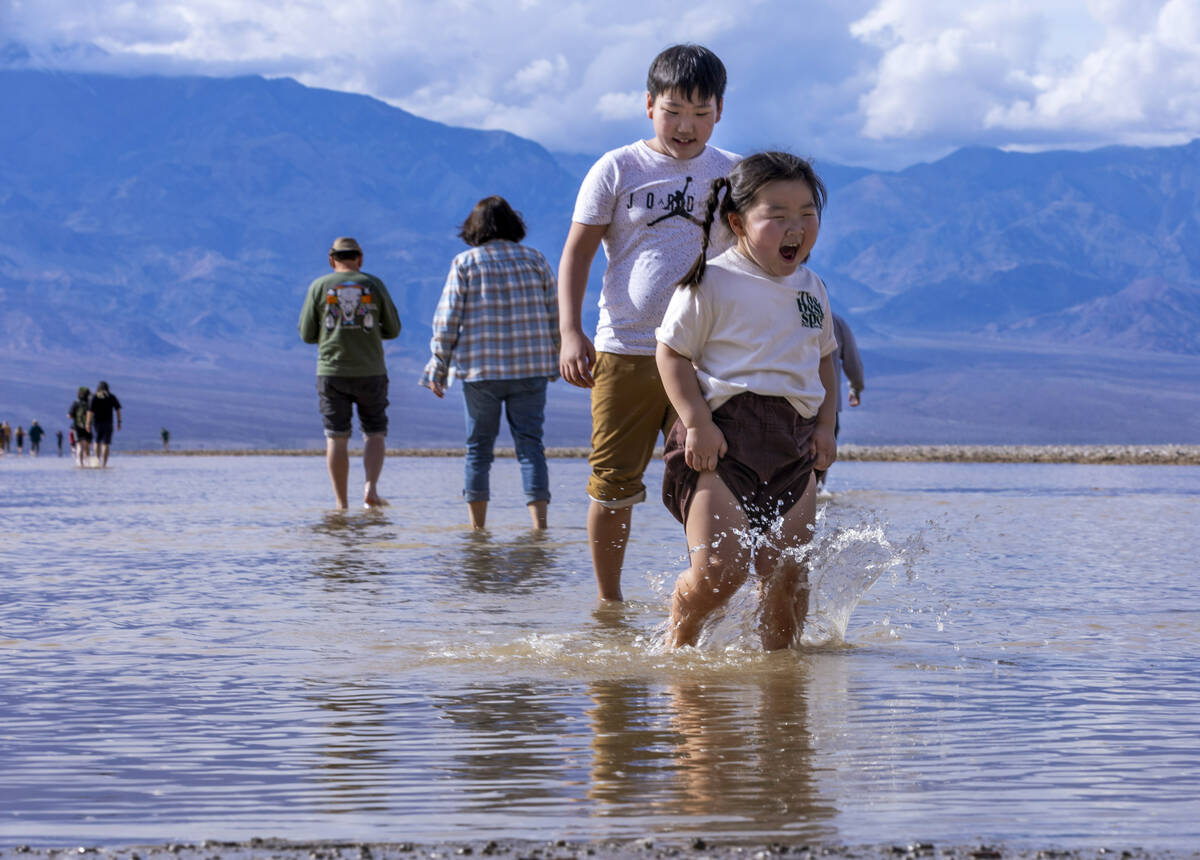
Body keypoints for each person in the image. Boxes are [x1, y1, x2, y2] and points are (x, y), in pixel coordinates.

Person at [557, 43, 740, 601]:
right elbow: (577, 254)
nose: (686, 126)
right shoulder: (618, 167)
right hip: (627, 350)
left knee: (710, 474)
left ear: (719, 111)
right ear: (648, 105)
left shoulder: (733, 172)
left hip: (705, 354)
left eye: (700, 113)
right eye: (673, 111)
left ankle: (705, 590)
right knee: (613, 483)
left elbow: (749, 258)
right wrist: (570, 332)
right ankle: (609, 602)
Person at [654, 151, 838, 650]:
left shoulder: (812, 287)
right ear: (737, 222)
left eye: (806, 214)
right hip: (721, 443)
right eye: (776, 216)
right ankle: (681, 636)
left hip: (793, 447)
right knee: (720, 571)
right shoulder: (712, 281)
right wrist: (695, 422)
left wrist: (825, 427)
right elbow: (671, 353)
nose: (794, 227)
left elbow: (826, 359)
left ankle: (780, 686)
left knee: (786, 578)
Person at [420, 196, 560, 530]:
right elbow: (555, 314)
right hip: (531, 368)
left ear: (474, 228)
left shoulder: (466, 263)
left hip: (480, 370)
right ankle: (540, 528)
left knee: (478, 449)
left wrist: (438, 366)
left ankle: (477, 530)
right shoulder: (535, 260)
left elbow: (447, 320)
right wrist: (556, 359)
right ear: (514, 225)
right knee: (531, 447)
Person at [298, 236, 401, 509]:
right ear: (360, 258)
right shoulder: (374, 284)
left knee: (336, 436)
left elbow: (307, 334)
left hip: (332, 371)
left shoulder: (319, 287)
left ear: (332, 260)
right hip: (371, 371)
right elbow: (393, 329)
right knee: (375, 432)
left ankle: (341, 504)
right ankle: (371, 490)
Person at [814, 313, 865, 489]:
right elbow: (853, 361)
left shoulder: (786, 310)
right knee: (821, 457)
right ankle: (818, 493)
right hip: (829, 407)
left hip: (794, 403)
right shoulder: (836, 322)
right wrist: (856, 388)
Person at [86, 381, 123, 467]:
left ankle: (97, 460)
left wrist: (87, 423)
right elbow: (118, 410)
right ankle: (104, 464)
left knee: (96, 442)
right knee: (106, 443)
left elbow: (90, 411)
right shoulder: (111, 396)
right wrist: (119, 422)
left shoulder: (94, 397)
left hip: (96, 423)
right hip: (108, 423)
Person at [69, 387, 92, 466]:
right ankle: (88, 463)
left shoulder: (76, 403)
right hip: (88, 426)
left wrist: (76, 417)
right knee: (87, 446)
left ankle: (80, 463)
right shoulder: (90, 403)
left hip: (77, 426)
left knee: (79, 445)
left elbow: (69, 415)